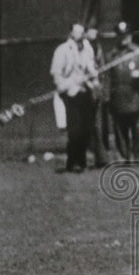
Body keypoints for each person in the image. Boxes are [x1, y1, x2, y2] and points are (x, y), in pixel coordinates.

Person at [50, 22, 101, 173]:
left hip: (84, 91)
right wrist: (64, 86)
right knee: (75, 129)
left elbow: (91, 67)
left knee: (86, 128)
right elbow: (56, 72)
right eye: (76, 32)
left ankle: (82, 160)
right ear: (71, 33)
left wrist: (94, 79)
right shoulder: (63, 50)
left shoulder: (87, 49)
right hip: (69, 93)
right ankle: (72, 162)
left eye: (81, 32)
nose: (79, 35)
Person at [107, 21, 139, 163]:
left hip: (136, 96)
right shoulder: (111, 55)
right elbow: (106, 76)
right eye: (121, 35)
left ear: (130, 36)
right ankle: (124, 157)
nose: (124, 38)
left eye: (126, 35)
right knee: (120, 131)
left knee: (138, 130)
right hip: (118, 97)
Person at [85, 27, 111, 168]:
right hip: (84, 90)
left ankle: (101, 158)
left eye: (96, 31)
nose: (94, 34)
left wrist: (103, 90)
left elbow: (103, 69)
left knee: (99, 125)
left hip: (97, 91)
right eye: (91, 31)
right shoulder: (81, 48)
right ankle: (92, 156)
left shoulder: (98, 47)